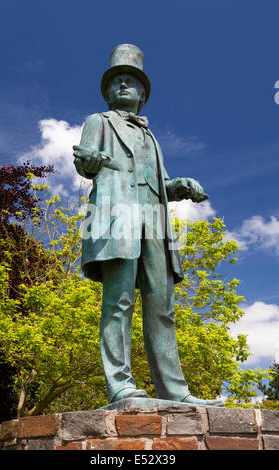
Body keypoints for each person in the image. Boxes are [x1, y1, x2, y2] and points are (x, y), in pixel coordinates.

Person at [73, 44, 223, 407]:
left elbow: (162, 184)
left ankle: (175, 391)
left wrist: (181, 186)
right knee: (118, 302)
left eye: (131, 81)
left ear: (142, 95)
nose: (123, 84)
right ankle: (120, 385)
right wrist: (91, 161)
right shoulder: (99, 122)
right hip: (117, 220)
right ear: (108, 91)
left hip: (154, 224)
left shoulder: (152, 138)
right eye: (117, 80)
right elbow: (86, 165)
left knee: (162, 306)